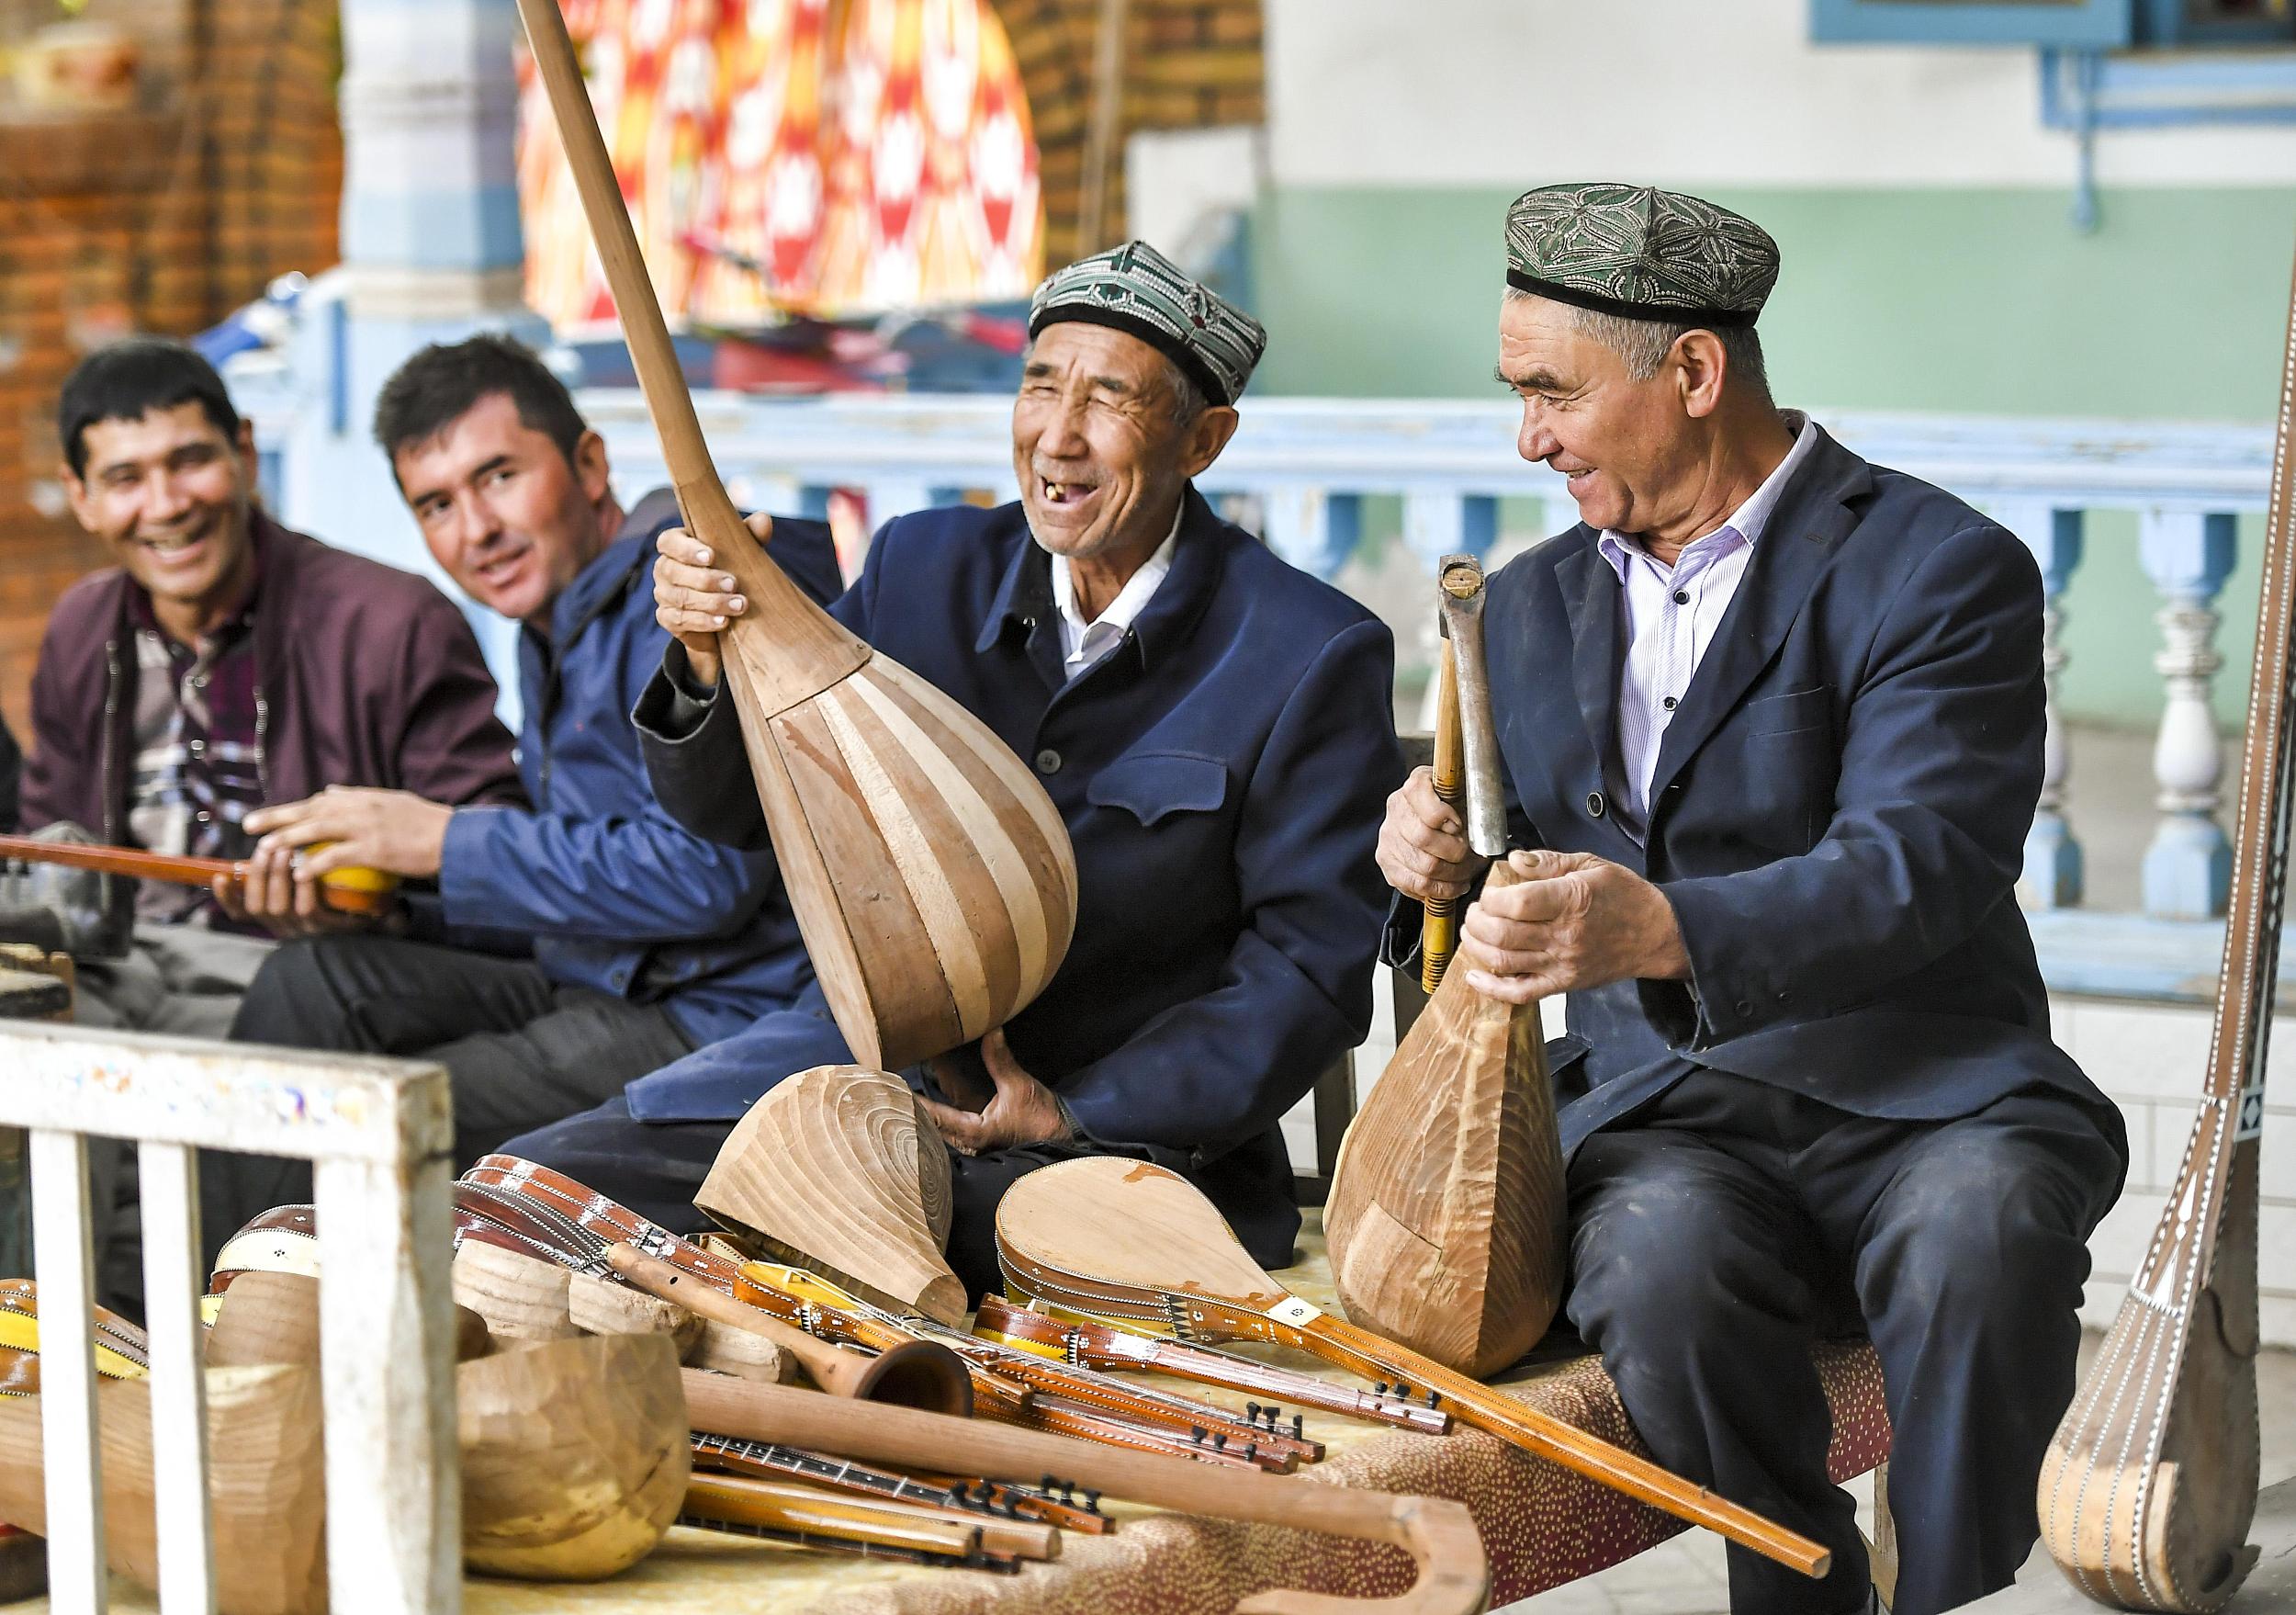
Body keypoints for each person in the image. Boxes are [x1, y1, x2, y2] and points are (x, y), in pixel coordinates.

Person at [1377, 184, 2126, 1615]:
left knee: (1986, 1233)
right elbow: (1491, 880)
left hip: (1926, 1088)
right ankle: (1796, 1582)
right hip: (1665, 1110)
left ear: (1696, 373)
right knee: (1658, 1267)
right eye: (1515, 391)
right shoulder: (1524, 606)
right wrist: (1428, 860)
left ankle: (1948, 1596)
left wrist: (1663, 926)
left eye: (1552, 392)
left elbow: (1923, 858)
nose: (1525, 436)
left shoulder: (1938, 567)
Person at [502, 241, 1404, 1297]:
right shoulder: (921, 566)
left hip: (1112, 1150)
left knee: (842, 1249)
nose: (1057, 438)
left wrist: (1079, 1113)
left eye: (1109, 398)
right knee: (533, 1196)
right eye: (1039, 385)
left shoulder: (1304, 650)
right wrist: (705, 662)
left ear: (1203, 441)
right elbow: (745, 817)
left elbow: (1306, 971)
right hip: (845, 1078)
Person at [206, 335, 843, 1261]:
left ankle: (290, 1337)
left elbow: (707, 877)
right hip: (595, 979)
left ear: (589, 464)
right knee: (316, 981)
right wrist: (371, 900)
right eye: (436, 505)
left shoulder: (677, 599)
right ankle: (220, 1304)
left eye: (498, 476)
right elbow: (575, 875)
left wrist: (444, 841)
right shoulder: (553, 625)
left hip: (720, 1016)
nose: (476, 529)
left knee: (389, 1106)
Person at [20, 338, 522, 1035]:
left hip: (317, 990)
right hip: (117, 972)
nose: (165, 506)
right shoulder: (80, 626)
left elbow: (495, 869)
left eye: (190, 461)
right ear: (83, 498)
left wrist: (372, 909)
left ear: (245, 454)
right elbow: (46, 845)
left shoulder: (393, 623)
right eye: (125, 479)